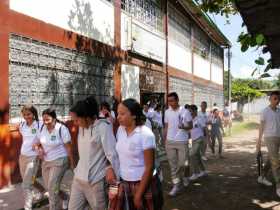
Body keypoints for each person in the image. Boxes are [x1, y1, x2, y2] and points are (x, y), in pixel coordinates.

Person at [108, 98, 163, 210]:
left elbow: (149, 167)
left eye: (122, 114)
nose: (118, 117)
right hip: (124, 182)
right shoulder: (120, 130)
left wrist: (138, 195)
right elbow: (117, 155)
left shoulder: (145, 134)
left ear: (134, 115)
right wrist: (109, 168)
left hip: (143, 184)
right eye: (118, 113)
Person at [68, 96, 119, 210]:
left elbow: (112, 154)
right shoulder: (82, 127)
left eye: (77, 120)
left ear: (86, 117)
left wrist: (115, 182)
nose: (75, 123)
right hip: (78, 178)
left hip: (96, 181)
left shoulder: (103, 127)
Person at [33, 108, 74, 210]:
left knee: (52, 187)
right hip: (46, 162)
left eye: (48, 120)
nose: (45, 122)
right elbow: (36, 143)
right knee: (51, 187)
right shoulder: (42, 128)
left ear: (54, 119)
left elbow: (69, 148)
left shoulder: (61, 129)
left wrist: (72, 164)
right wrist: (38, 149)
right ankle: (65, 198)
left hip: (60, 160)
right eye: (44, 120)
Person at [164, 92, 192, 196]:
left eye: (172, 101)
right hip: (170, 141)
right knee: (173, 165)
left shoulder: (185, 112)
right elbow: (166, 126)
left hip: (182, 141)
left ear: (177, 100)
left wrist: (183, 127)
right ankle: (176, 185)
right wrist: (164, 138)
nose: (170, 103)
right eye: (169, 101)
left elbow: (190, 126)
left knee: (183, 164)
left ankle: (185, 176)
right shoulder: (167, 112)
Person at [19, 105, 45, 210]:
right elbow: (25, 141)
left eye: (28, 114)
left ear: (33, 114)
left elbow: (45, 138)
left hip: (33, 157)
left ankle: (28, 207)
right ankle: (42, 190)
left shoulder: (40, 124)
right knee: (29, 181)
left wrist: (39, 148)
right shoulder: (22, 125)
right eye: (24, 114)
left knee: (26, 185)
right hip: (22, 157)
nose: (26, 116)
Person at [257, 91, 280, 196]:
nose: (277, 100)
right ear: (270, 99)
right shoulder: (264, 111)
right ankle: (279, 186)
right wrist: (259, 142)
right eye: (275, 98)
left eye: (278, 98)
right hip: (269, 138)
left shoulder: (279, 111)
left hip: (278, 137)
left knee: (271, 159)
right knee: (276, 162)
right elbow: (261, 127)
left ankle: (262, 177)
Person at [189, 105, 207, 181]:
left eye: (190, 111)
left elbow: (205, 128)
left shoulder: (199, 119)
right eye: (189, 111)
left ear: (195, 111)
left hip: (200, 139)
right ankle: (204, 171)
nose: (189, 112)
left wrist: (207, 140)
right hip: (193, 140)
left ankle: (195, 173)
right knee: (198, 156)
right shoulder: (190, 120)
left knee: (192, 154)